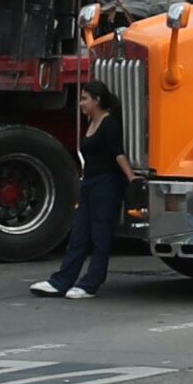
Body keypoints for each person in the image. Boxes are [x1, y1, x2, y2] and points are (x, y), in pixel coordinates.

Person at [29, 84, 124, 301]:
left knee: (100, 235)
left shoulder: (109, 123)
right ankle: (61, 281)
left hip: (106, 184)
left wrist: (132, 179)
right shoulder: (91, 122)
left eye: (84, 99)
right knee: (79, 234)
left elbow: (118, 154)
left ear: (97, 100)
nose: (81, 103)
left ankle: (91, 283)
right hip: (89, 183)